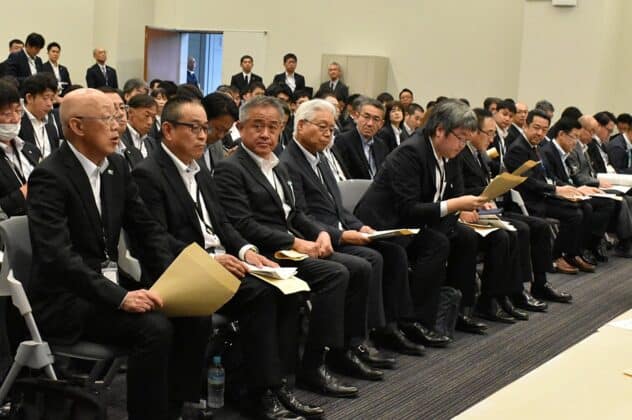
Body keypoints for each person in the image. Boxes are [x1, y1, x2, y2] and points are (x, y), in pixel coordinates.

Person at [26, 88, 208, 420]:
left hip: (107, 284)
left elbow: (146, 229)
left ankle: (176, 407)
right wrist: (120, 298)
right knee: (154, 328)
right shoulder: (50, 176)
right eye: (108, 118)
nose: (118, 126)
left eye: (119, 116)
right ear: (78, 126)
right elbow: (58, 258)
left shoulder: (117, 167)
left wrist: (179, 277)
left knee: (192, 311)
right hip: (67, 298)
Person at [132, 95, 317, 419]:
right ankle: (259, 393)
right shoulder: (149, 174)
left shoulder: (200, 170)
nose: (203, 136)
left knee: (287, 289)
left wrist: (248, 251)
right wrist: (209, 261)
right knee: (261, 294)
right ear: (168, 130)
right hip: (185, 271)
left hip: (219, 263)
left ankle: (274, 384)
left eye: (205, 128)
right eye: (194, 128)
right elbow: (156, 238)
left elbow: (223, 225)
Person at [214, 95, 376, 397]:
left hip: (290, 246)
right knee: (336, 273)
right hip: (265, 252)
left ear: (282, 129)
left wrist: (320, 233)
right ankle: (313, 365)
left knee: (360, 266)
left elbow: (296, 213)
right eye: (257, 126)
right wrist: (296, 242)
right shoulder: (231, 168)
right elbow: (243, 224)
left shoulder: (277, 165)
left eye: (273, 127)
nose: (266, 134)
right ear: (240, 127)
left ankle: (345, 349)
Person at [283, 99, 444, 354]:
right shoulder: (289, 163)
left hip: (339, 229)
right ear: (301, 125)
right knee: (370, 259)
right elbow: (300, 217)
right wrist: (342, 235)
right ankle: (357, 339)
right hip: (318, 239)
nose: (328, 134)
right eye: (322, 127)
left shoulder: (320, 158)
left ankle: (392, 325)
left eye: (331, 128)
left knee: (394, 251)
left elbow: (338, 208)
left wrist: (361, 227)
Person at [355, 99, 490, 334]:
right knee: (436, 244)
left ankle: (456, 310)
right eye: (460, 138)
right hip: (387, 224)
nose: (462, 145)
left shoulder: (451, 154)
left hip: (422, 220)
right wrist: (455, 206)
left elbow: (456, 194)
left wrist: (464, 204)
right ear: (440, 131)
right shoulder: (411, 152)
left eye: (466, 140)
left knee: (465, 237)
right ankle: (416, 319)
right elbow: (408, 209)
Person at [460, 108, 562, 309]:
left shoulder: (480, 154)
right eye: (489, 133)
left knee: (538, 227)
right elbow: (461, 189)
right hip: (475, 210)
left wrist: (501, 182)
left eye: (493, 134)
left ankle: (536, 284)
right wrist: (488, 191)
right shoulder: (463, 154)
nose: (492, 139)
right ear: (473, 132)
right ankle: (505, 294)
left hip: (490, 206)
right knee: (516, 231)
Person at [504, 110, 596, 276]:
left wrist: (567, 189)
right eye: (536, 127)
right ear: (525, 126)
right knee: (573, 214)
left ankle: (572, 253)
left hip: (541, 195)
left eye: (544, 129)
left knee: (582, 205)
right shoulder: (518, 149)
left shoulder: (535, 147)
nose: (540, 133)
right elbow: (527, 182)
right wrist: (556, 190)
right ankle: (557, 256)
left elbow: (546, 177)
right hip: (529, 201)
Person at [539, 117, 616, 265]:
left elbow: (572, 175)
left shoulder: (564, 151)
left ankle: (587, 246)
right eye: (573, 137)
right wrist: (576, 189)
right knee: (583, 208)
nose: (575, 142)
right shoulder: (547, 152)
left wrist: (582, 189)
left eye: (577, 137)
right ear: (561, 134)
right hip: (553, 196)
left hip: (569, 191)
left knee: (607, 202)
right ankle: (571, 252)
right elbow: (552, 179)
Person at [0, 80, 41, 219]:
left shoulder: (30, 149)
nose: (16, 118)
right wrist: (24, 192)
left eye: (18, 111)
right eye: (7, 114)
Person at [333, 97, 389, 179]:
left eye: (376, 119)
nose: (370, 123)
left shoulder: (381, 146)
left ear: (381, 124)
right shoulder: (343, 141)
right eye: (366, 117)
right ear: (356, 117)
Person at [18, 73, 61, 158]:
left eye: (52, 99)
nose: (49, 104)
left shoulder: (51, 124)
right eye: (45, 98)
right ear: (29, 98)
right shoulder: (17, 123)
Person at [199, 92, 239, 171]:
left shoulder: (217, 144)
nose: (220, 136)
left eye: (226, 131)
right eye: (218, 129)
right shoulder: (187, 146)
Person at [119, 94, 158, 168]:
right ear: (130, 112)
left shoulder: (152, 143)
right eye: (146, 116)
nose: (150, 122)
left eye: (153, 117)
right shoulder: (119, 138)